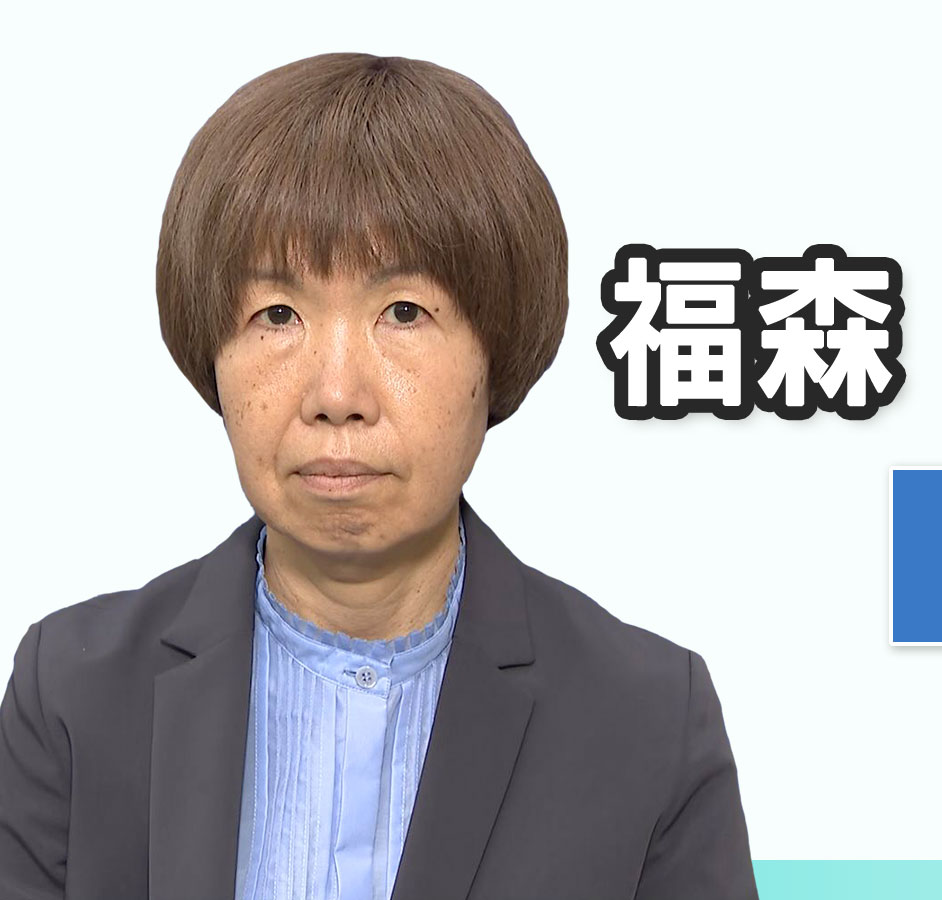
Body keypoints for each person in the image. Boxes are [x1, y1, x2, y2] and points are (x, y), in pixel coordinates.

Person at [0, 52, 758, 899]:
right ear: (211, 353)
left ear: (497, 349)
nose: (336, 396)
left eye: (404, 312)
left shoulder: (647, 721)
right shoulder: (72, 694)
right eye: (277, 315)